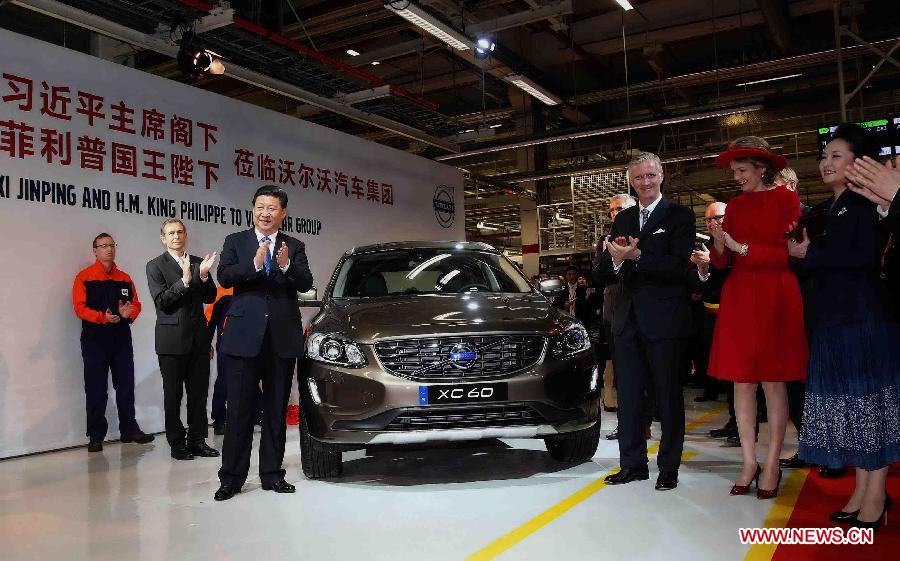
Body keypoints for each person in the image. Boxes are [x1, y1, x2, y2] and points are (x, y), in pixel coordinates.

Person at [788, 124, 900, 532]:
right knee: (852, 410)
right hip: (835, 318)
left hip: (862, 317)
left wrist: (811, 254)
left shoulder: (866, 202)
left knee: (869, 408)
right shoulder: (831, 208)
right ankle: (863, 490)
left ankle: (876, 495)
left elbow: (862, 258)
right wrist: (804, 254)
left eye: (836, 155)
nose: (826, 162)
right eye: (824, 156)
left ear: (859, 163)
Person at [707, 136, 807, 500]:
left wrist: (741, 247)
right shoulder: (734, 205)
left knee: (773, 380)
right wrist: (720, 244)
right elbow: (722, 262)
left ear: (762, 168)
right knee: (742, 381)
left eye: (742, 171)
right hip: (740, 295)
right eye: (734, 171)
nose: (736, 177)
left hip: (775, 293)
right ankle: (749, 461)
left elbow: (789, 255)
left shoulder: (786, 199)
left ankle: (773, 462)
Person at [593, 152, 695, 491]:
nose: (645, 182)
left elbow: (678, 266)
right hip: (627, 322)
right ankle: (632, 464)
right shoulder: (623, 218)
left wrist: (637, 256)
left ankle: (669, 469)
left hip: (665, 321)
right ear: (631, 182)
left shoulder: (680, 215)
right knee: (630, 398)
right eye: (638, 177)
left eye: (650, 175)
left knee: (668, 398)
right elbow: (604, 272)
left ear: (661, 175)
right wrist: (617, 260)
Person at [214, 185, 314, 501]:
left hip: (281, 339)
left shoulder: (293, 246)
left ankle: (272, 474)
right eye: (260, 207)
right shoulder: (236, 241)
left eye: (272, 208)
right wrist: (255, 264)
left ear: (283, 213)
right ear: (253, 209)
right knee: (238, 411)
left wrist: (285, 266)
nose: (265, 213)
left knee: (275, 411)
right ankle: (231, 478)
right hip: (244, 338)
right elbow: (224, 277)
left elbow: (306, 282)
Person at [72, 233, 154, 452]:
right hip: (95, 341)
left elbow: (136, 304)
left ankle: (129, 429)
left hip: (121, 340)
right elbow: (79, 308)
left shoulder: (124, 278)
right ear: (95, 251)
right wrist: (102, 317)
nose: (109, 249)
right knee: (96, 389)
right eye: (103, 246)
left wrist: (129, 314)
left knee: (125, 385)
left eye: (111, 245)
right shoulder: (84, 277)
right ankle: (96, 435)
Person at [146, 219, 219, 461]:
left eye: (179, 232)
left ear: (186, 235)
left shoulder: (198, 262)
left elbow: (210, 297)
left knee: (198, 395)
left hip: (198, 341)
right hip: (171, 342)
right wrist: (185, 282)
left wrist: (204, 276)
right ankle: (177, 443)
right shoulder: (155, 266)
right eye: (171, 233)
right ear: (163, 238)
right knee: (173, 396)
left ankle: (197, 440)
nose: (176, 236)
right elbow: (162, 302)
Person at [692, 202, 736, 431]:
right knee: (723, 370)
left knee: (739, 374)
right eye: (708, 219)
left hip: (736, 316)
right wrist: (702, 270)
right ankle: (733, 420)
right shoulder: (706, 246)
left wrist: (713, 263)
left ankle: (742, 422)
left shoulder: (737, 242)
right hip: (711, 315)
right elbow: (703, 285)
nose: (712, 223)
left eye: (717, 217)